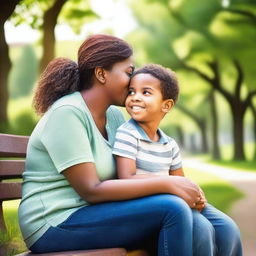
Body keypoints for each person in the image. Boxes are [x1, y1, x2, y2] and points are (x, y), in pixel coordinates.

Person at [18, 34, 242, 256]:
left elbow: (130, 169)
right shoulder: (67, 113)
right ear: (101, 74)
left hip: (95, 212)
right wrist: (168, 183)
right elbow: (91, 189)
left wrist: (183, 189)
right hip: (54, 223)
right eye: (128, 72)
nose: (133, 79)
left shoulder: (114, 116)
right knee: (173, 209)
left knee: (218, 228)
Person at [112, 63, 243, 255]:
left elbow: (179, 180)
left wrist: (195, 197)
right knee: (201, 229)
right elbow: (126, 177)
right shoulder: (127, 133)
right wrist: (169, 183)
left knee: (228, 229)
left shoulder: (169, 144)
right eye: (131, 92)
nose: (135, 97)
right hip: (151, 205)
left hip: (175, 201)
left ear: (166, 105)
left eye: (145, 92)